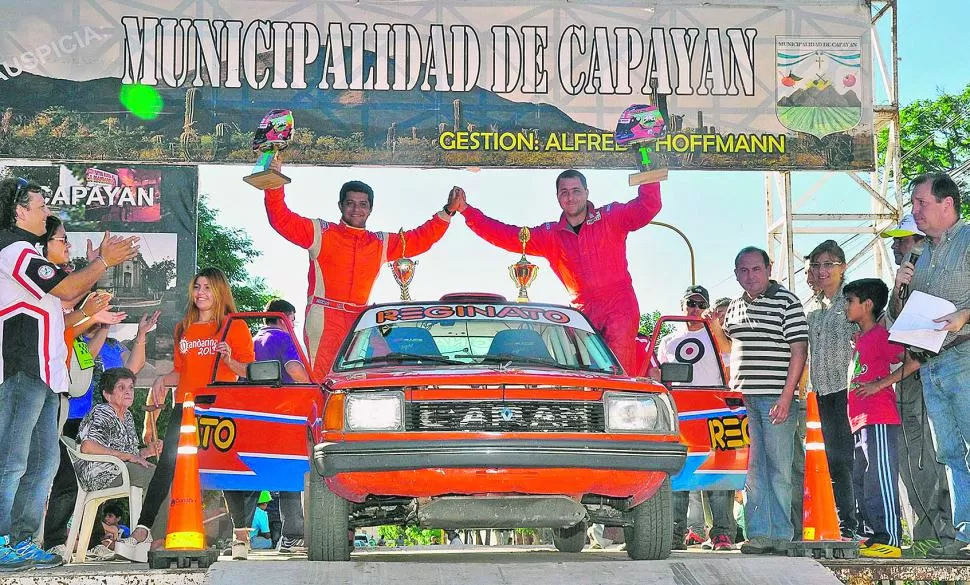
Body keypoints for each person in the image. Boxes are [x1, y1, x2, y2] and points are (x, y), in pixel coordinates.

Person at [0, 177, 138, 571]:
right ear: (19, 210)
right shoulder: (12, 248)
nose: (46, 212)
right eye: (40, 206)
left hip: (48, 376)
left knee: (43, 464)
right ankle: (1, 539)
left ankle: (24, 542)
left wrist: (92, 285)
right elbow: (64, 291)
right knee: (11, 461)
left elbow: (67, 295)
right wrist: (103, 262)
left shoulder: (29, 254)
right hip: (21, 369)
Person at [264, 159, 459, 381]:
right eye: (350, 203)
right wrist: (274, 183)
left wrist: (447, 212)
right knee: (323, 379)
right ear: (340, 205)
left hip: (360, 318)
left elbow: (419, 240)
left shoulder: (379, 242)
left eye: (363, 204)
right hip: (325, 316)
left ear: (370, 209)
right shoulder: (320, 232)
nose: (356, 209)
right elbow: (280, 219)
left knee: (360, 378)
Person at [452, 172, 662, 374]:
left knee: (618, 372)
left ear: (587, 193)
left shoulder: (611, 216)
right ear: (557, 197)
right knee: (582, 375)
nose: (571, 197)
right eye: (564, 192)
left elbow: (648, 206)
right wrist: (466, 211)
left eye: (576, 191)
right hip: (581, 312)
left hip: (619, 305)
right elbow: (507, 235)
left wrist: (647, 165)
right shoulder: (550, 235)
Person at [136, 268, 256, 559]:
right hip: (185, 408)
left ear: (220, 291)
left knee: (224, 469)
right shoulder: (183, 328)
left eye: (207, 287)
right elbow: (183, 371)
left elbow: (249, 372)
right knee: (167, 466)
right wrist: (163, 379)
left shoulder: (234, 326)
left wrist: (229, 359)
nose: (200, 293)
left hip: (219, 408)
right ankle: (141, 530)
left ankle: (241, 536)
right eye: (197, 287)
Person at [889, 173, 970, 559]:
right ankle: (963, 534)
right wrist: (899, 285)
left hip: (966, 357)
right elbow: (897, 318)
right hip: (932, 364)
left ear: (946, 205)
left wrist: (964, 315)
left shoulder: (968, 240)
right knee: (950, 453)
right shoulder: (917, 255)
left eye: (920, 203)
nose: (914, 211)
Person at [879, 215, 956, 556]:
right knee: (915, 459)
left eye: (904, 240)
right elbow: (895, 329)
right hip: (913, 384)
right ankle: (927, 536)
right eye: (895, 241)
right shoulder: (902, 281)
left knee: (947, 455)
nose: (897, 246)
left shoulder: (946, 278)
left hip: (943, 375)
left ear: (923, 242)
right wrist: (898, 289)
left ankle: (951, 534)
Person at [723, 247, 808, 555]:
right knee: (752, 471)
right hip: (741, 400)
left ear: (769, 269)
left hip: (776, 397)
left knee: (779, 470)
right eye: (743, 271)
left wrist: (788, 396)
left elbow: (799, 350)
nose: (750, 276)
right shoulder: (733, 306)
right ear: (736, 274)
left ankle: (782, 535)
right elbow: (729, 343)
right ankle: (758, 534)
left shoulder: (787, 302)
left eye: (756, 269)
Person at [653, 286, 737, 551]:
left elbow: (731, 363)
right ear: (682, 305)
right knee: (678, 474)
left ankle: (722, 533)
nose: (695, 309)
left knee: (720, 473)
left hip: (717, 409)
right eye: (691, 303)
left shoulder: (717, 337)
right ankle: (675, 533)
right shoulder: (668, 340)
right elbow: (657, 373)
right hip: (681, 412)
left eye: (701, 304)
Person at [843, 278, 914, 558]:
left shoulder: (882, 336)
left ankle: (890, 538)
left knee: (879, 476)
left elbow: (912, 360)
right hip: (859, 420)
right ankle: (872, 535)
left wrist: (880, 384)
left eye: (851, 301)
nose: (847, 306)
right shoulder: (860, 338)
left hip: (879, 418)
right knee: (862, 478)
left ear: (867, 304)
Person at [803, 240, 859, 540]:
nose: (822, 271)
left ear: (843, 267)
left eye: (828, 264)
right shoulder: (810, 308)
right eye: (816, 265)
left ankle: (854, 523)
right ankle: (837, 521)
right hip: (819, 393)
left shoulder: (852, 301)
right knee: (827, 461)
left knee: (847, 460)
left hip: (848, 392)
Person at [76, 367, 163, 561]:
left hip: (120, 469)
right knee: (159, 479)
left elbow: (131, 455)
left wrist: (147, 452)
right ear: (107, 394)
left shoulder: (128, 417)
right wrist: (129, 457)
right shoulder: (103, 411)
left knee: (162, 475)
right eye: (121, 387)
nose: (128, 392)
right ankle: (155, 540)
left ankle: (153, 538)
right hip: (99, 472)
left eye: (131, 387)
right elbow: (88, 446)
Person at [253, 299, 308, 553]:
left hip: (251, 414)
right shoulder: (284, 339)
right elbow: (295, 370)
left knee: (250, 475)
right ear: (285, 317)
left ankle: (240, 533)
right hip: (283, 413)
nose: (294, 325)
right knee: (291, 472)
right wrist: (313, 385)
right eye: (293, 319)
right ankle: (293, 534)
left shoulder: (252, 340)